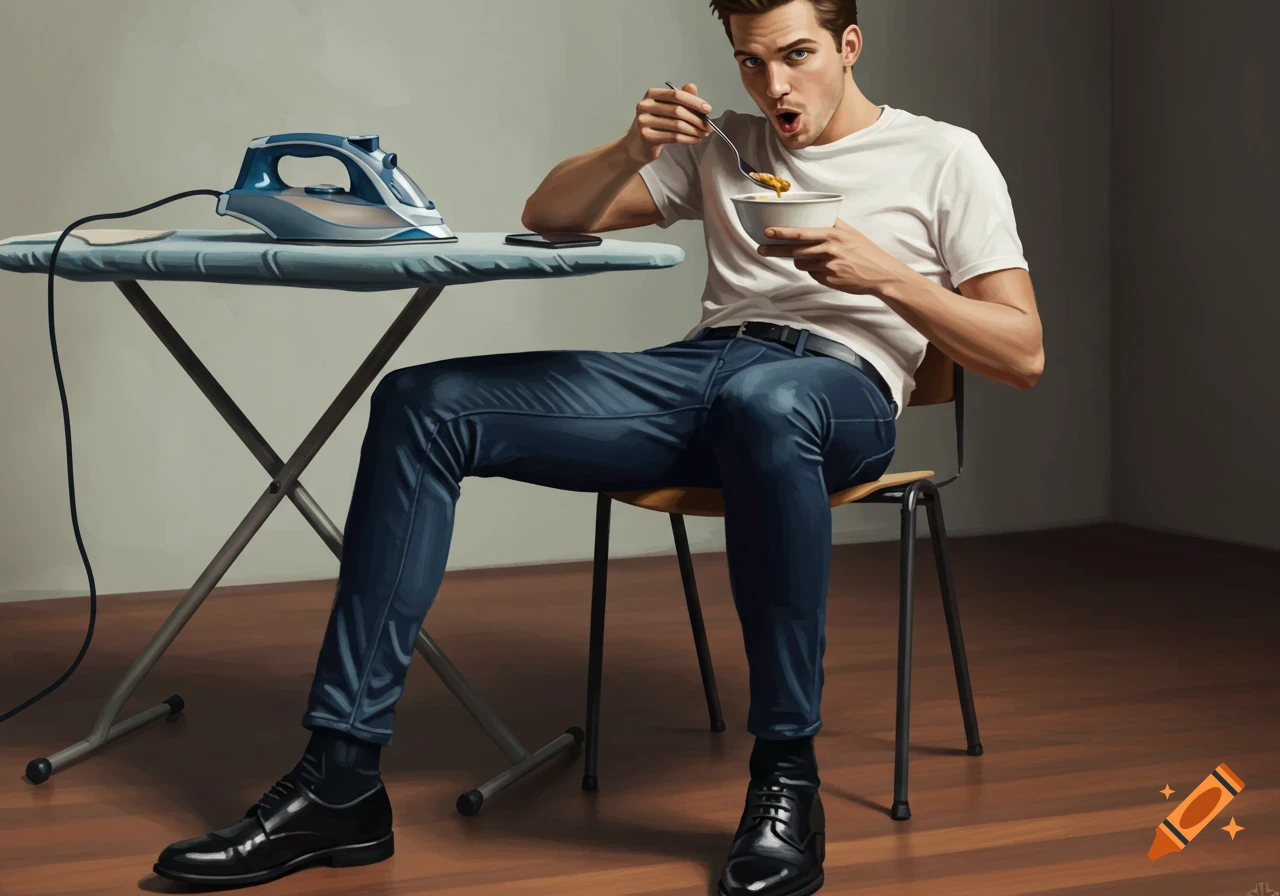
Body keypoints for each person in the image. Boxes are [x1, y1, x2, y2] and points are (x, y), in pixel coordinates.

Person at [151, 0, 1043, 893]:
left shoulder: (942, 155)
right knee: (421, 403)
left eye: (797, 55)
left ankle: (785, 780)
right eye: (749, 62)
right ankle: (340, 781)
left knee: (765, 405)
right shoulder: (725, 145)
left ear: (849, 46)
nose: (774, 85)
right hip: (700, 377)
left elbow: (1021, 352)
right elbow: (551, 215)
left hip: (840, 391)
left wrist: (883, 273)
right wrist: (630, 148)